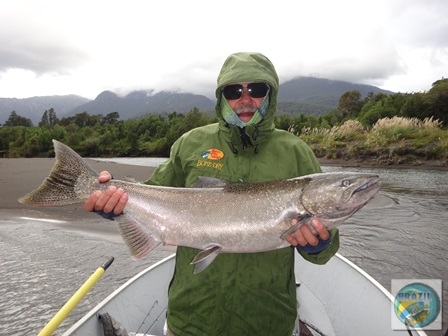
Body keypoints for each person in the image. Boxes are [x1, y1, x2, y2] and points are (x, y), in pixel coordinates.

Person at [84, 52, 339, 336]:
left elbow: (325, 252)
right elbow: (149, 194)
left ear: (270, 94)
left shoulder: (296, 152)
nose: (245, 99)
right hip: (191, 318)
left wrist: (317, 245)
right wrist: (115, 205)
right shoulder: (190, 143)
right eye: (233, 91)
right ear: (221, 97)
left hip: (268, 321)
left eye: (256, 89)